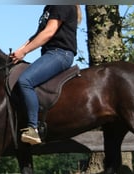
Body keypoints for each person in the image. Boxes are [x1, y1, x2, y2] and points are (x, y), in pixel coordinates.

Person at [10, 5, 82, 145]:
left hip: (60, 53)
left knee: (25, 80)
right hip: (51, 53)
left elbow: (49, 32)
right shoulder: (49, 7)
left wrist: (24, 52)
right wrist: (19, 51)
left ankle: (33, 128)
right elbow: (37, 35)